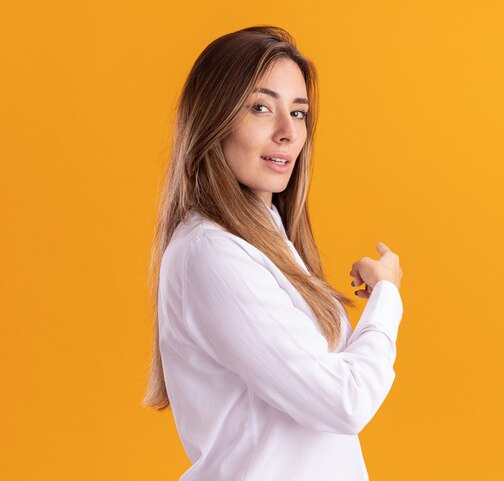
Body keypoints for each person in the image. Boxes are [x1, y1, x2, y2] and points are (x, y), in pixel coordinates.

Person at [143, 25, 404, 480]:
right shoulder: (211, 253)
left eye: (299, 113)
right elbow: (344, 401)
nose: (287, 132)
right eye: (261, 108)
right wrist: (386, 298)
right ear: (214, 118)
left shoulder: (268, 241)